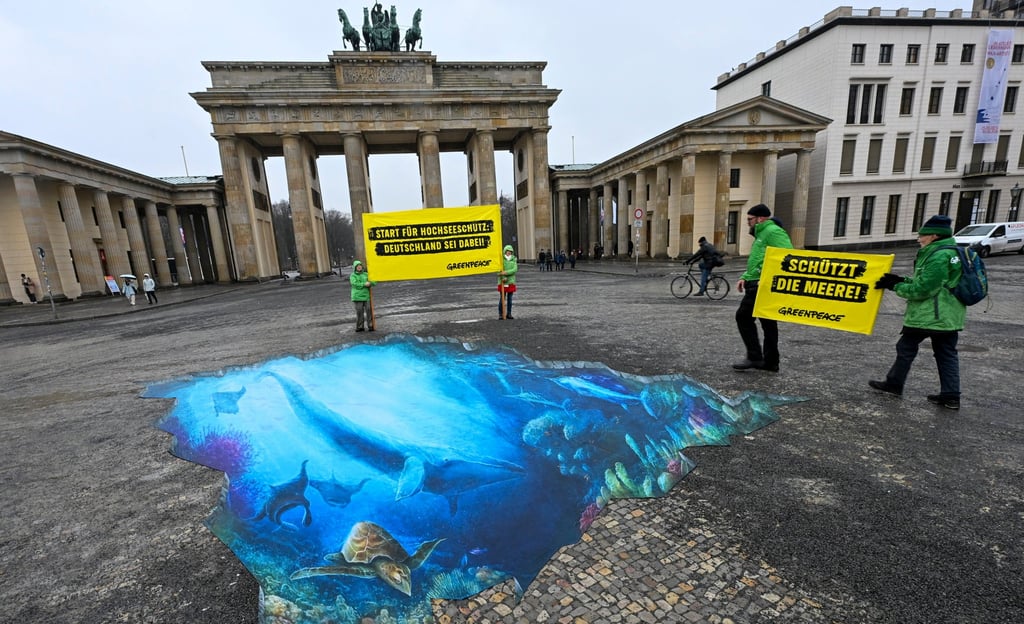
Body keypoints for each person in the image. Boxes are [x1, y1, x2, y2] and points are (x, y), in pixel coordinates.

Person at [869, 214, 965, 410]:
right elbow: (929, 282)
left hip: (929, 314)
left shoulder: (938, 255)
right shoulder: (953, 251)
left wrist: (895, 287)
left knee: (906, 348)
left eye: (922, 235)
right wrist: (900, 280)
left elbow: (924, 289)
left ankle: (895, 384)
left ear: (934, 236)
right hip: (948, 314)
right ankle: (951, 395)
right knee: (946, 353)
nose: (918, 238)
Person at [733, 204, 793, 372]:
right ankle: (771, 362)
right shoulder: (762, 234)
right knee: (768, 323)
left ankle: (755, 357)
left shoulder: (773, 232)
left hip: (762, 285)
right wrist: (745, 276)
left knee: (743, 317)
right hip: (756, 281)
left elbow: (787, 257)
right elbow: (758, 260)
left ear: (760, 219)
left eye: (749, 219)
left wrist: (769, 278)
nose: (747, 223)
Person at [349, 260, 375, 332]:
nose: (359, 267)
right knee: (359, 312)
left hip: (366, 296)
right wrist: (364, 284)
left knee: (369, 311)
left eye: (360, 265)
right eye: (357, 266)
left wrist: (371, 283)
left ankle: (371, 325)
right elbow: (354, 284)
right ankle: (360, 327)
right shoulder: (353, 275)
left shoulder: (366, 274)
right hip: (357, 297)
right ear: (355, 267)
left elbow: (374, 281)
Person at [498, 245, 518, 319]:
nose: (509, 253)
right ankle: (500, 314)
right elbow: (499, 271)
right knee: (502, 299)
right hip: (503, 282)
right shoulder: (501, 260)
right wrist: (503, 277)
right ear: (505, 251)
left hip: (511, 282)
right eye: (507, 251)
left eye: (510, 251)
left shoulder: (514, 260)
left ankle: (509, 313)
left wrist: (505, 273)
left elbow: (515, 270)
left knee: (510, 299)